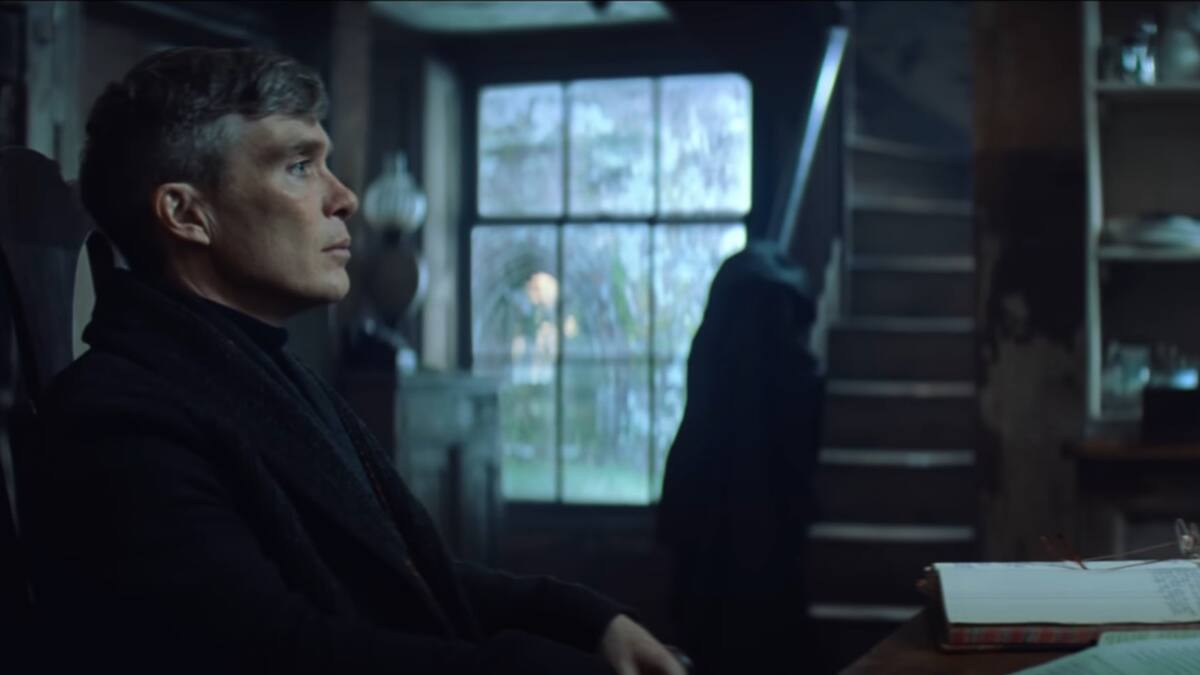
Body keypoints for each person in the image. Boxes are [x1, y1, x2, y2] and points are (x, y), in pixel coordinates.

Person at [28, 46, 686, 675]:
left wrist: (586, 620)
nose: (344, 196)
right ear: (186, 213)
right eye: (298, 166)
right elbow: (277, 657)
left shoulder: (259, 371)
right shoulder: (119, 417)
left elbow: (392, 574)